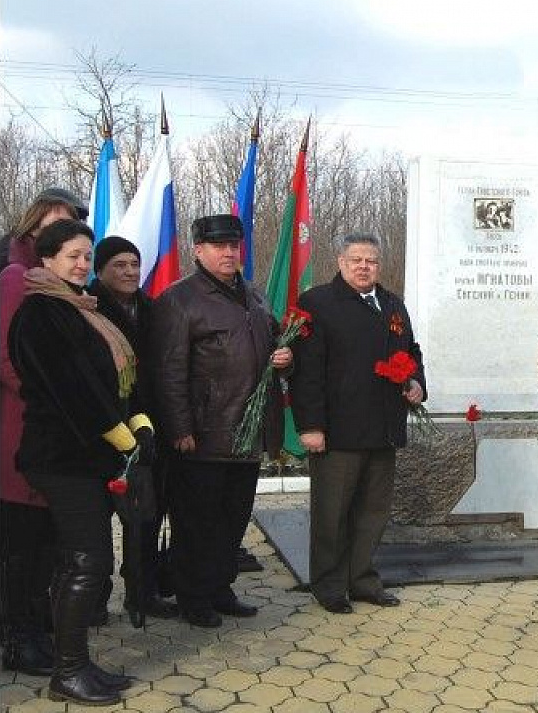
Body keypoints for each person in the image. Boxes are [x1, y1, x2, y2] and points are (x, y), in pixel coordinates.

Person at [8, 219, 152, 705]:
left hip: (87, 457)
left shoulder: (84, 310)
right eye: (72, 255)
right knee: (87, 560)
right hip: (60, 456)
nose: (82, 264)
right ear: (46, 259)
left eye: (87, 255)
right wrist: (117, 433)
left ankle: (78, 662)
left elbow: (113, 381)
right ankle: (67, 672)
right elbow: (69, 389)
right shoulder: (40, 312)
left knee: (83, 559)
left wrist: (138, 422)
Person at [149, 214, 292, 628]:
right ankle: (192, 596)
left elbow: (273, 348)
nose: (229, 253)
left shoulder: (255, 295)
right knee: (197, 523)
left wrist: (285, 359)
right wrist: (179, 429)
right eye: (219, 246)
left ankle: (219, 587)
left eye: (234, 245)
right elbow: (167, 372)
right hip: (203, 434)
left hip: (247, 432)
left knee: (232, 520)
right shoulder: (179, 300)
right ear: (198, 250)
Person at [291, 232, 425, 614]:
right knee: (332, 513)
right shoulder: (318, 303)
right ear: (340, 262)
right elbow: (307, 372)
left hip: (383, 428)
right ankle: (329, 585)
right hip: (337, 432)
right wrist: (310, 426)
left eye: (371, 261)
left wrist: (416, 383)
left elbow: (411, 351)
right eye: (356, 260)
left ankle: (362, 579)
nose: (365, 267)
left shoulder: (392, 304)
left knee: (373, 511)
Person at [0, 187, 89, 676]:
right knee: (23, 545)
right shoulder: (17, 280)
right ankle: (17, 636)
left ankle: (37, 627)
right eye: (52, 222)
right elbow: (6, 357)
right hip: (21, 428)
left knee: (46, 545)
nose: (60, 227)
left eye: (70, 222)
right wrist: (53, 398)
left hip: (57, 434)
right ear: (33, 227)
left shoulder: (62, 286)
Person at [85, 235, 180, 624]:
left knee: (145, 515)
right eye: (119, 265)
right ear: (100, 270)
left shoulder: (151, 308)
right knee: (94, 523)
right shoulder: (89, 308)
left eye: (134, 265)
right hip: (99, 428)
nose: (129, 272)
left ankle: (142, 592)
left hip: (146, 427)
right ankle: (92, 599)